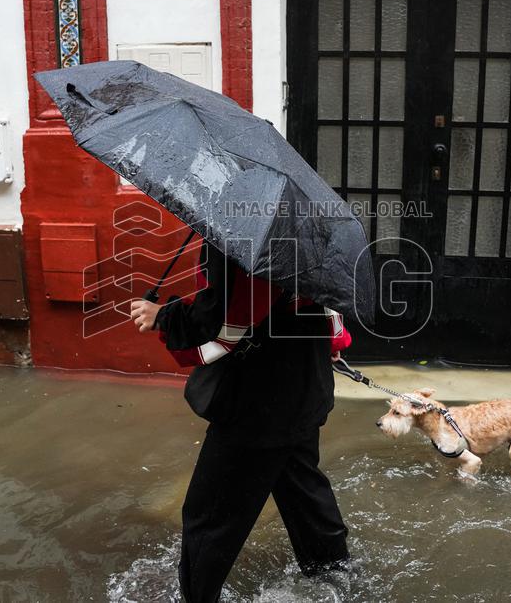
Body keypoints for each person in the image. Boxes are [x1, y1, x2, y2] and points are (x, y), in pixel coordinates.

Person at [130, 242, 351, 603]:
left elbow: (224, 324)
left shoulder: (242, 244)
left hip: (258, 403)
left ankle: (198, 598)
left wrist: (164, 315)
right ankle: (338, 579)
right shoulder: (308, 232)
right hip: (305, 388)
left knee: (210, 514)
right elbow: (328, 308)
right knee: (302, 493)